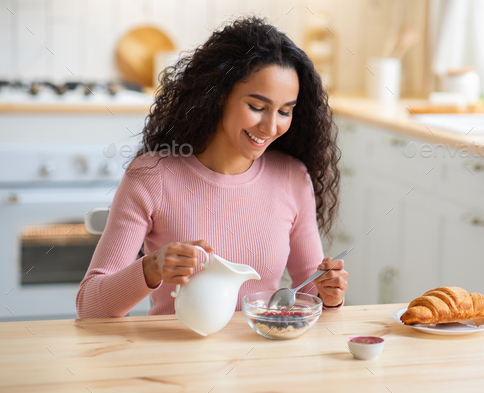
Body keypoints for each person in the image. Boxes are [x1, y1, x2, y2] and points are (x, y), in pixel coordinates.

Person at [76, 16, 347, 318]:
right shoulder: (152, 176)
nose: (271, 126)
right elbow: (90, 306)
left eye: (285, 111)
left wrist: (329, 292)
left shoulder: (292, 176)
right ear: (218, 95)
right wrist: (152, 267)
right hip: (174, 358)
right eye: (257, 107)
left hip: (261, 354)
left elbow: (309, 292)